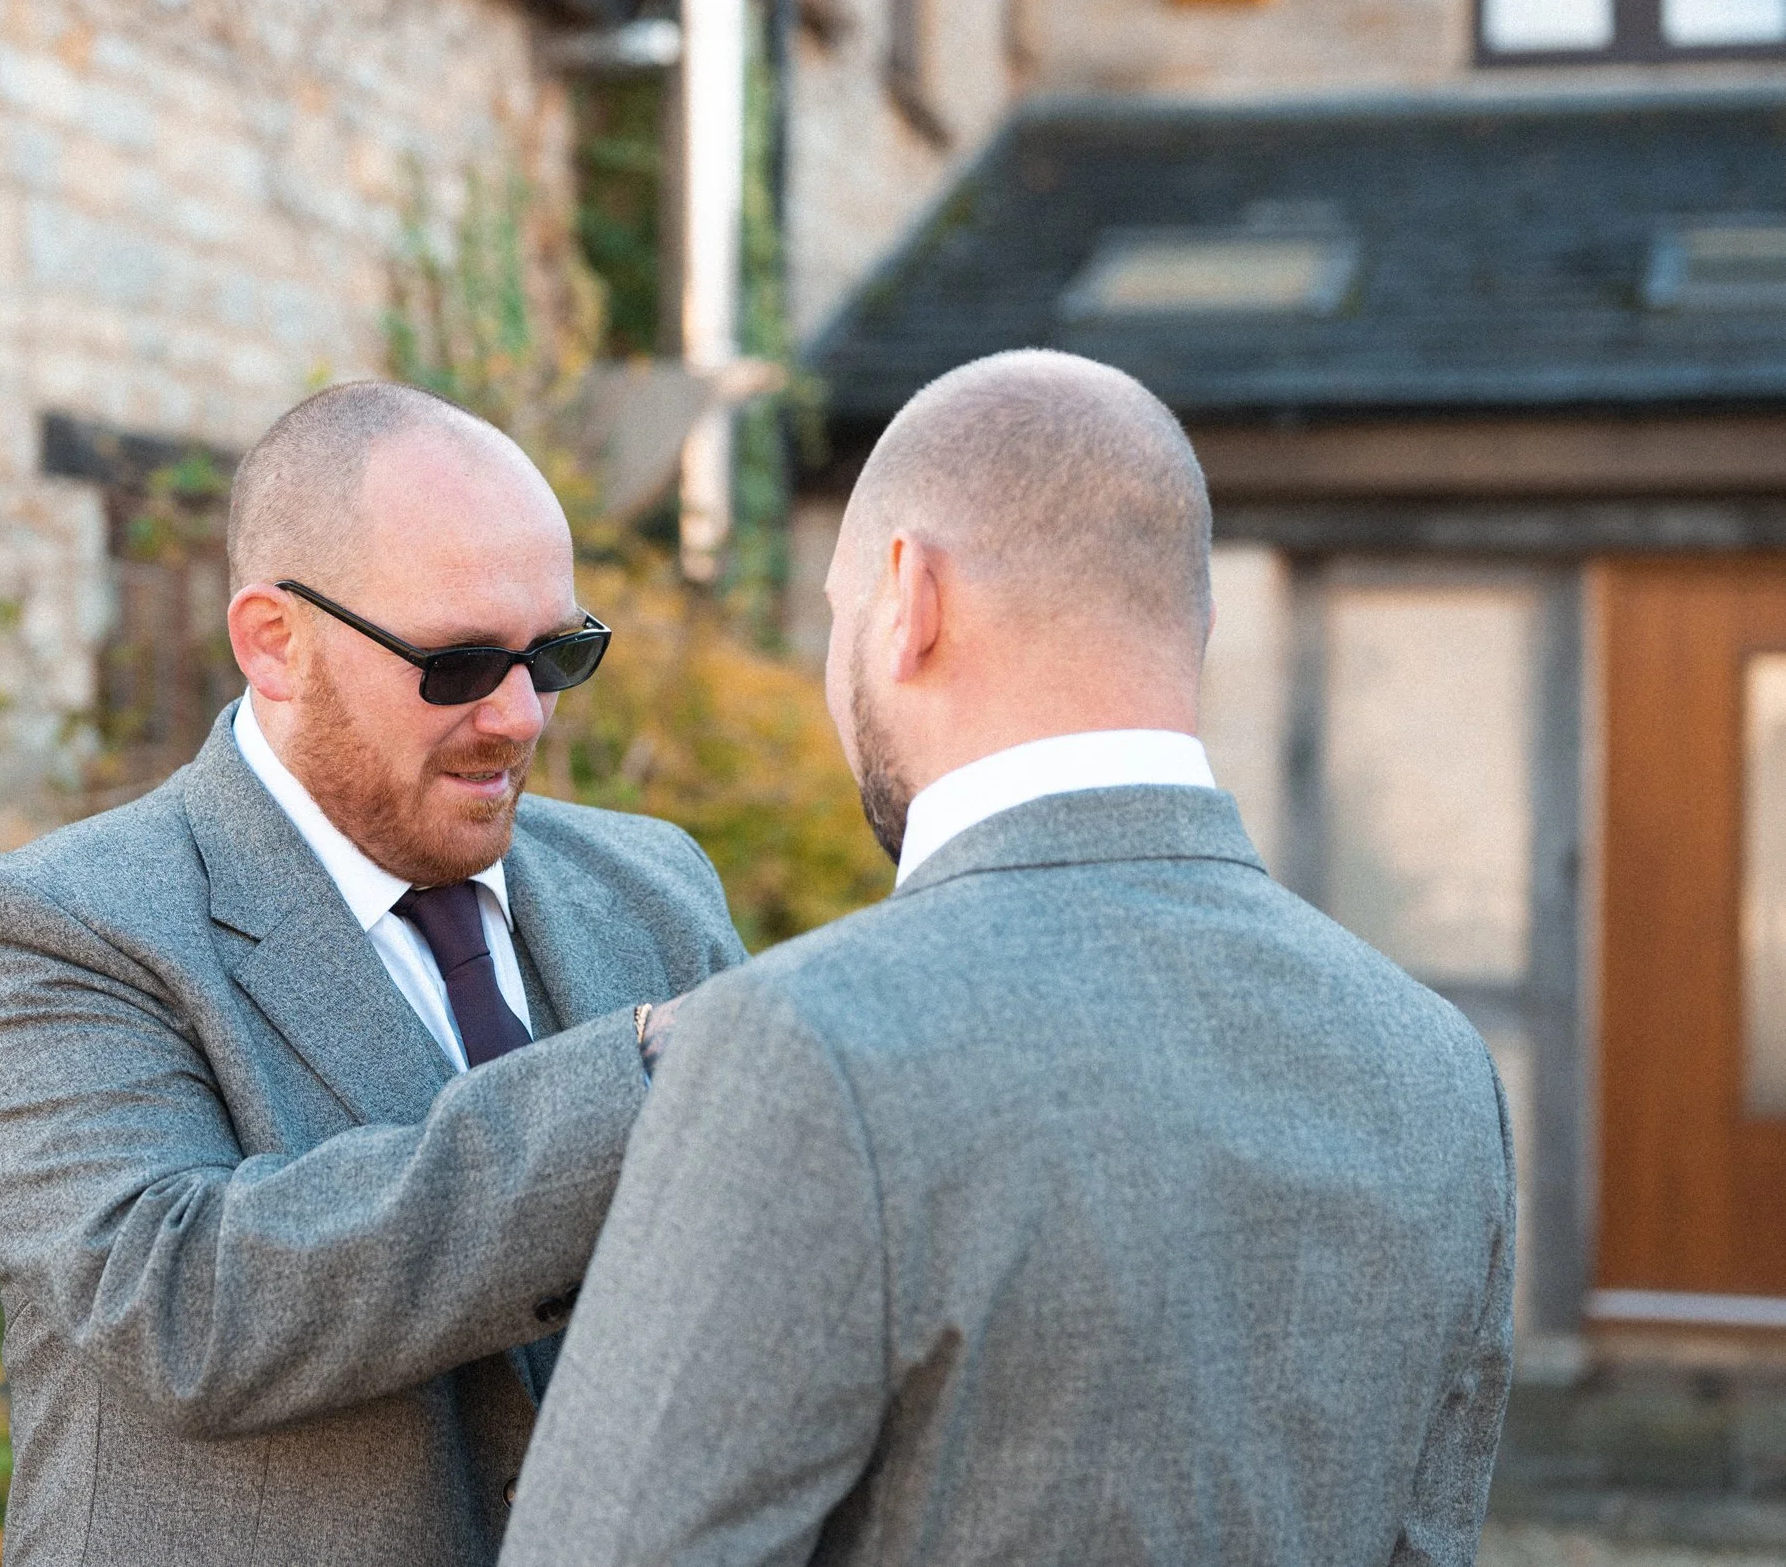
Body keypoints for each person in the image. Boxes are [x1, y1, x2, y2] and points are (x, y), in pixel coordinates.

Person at [499, 350, 1516, 1567]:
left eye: (835, 615)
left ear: (908, 598)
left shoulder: (802, 1051)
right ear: (1188, 618)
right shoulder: (1436, 1067)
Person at [0, 381, 745, 1567]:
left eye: (557, 652)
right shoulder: (47, 926)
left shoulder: (652, 882)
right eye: (457, 662)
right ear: (275, 641)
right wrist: (646, 1072)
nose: (518, 717)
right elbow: (183, 1306)